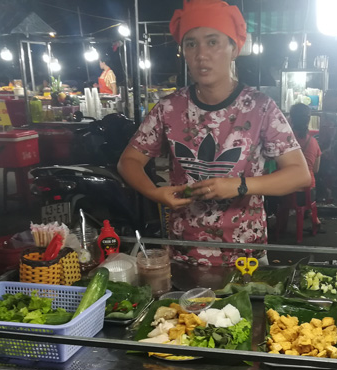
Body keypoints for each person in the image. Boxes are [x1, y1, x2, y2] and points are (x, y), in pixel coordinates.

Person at [118, 0, 310, 266]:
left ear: (234, 48)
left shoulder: (260, 107)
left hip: (246, 255)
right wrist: (155, 193)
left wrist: (241, 185)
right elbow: (128, 161)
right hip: (184, 252)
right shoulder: (168, 108)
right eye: (191, 43)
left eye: (212, 42)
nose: (201, 55)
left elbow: (300, 175)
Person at [289, 102, 323, 233]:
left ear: (291, 119)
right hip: (308, 191)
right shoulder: (313, 142)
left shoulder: (285, 141)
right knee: (309, 192)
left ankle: (277, 224)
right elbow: (316, 169)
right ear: (308, 120)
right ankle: (313, 217)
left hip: (286, 190)